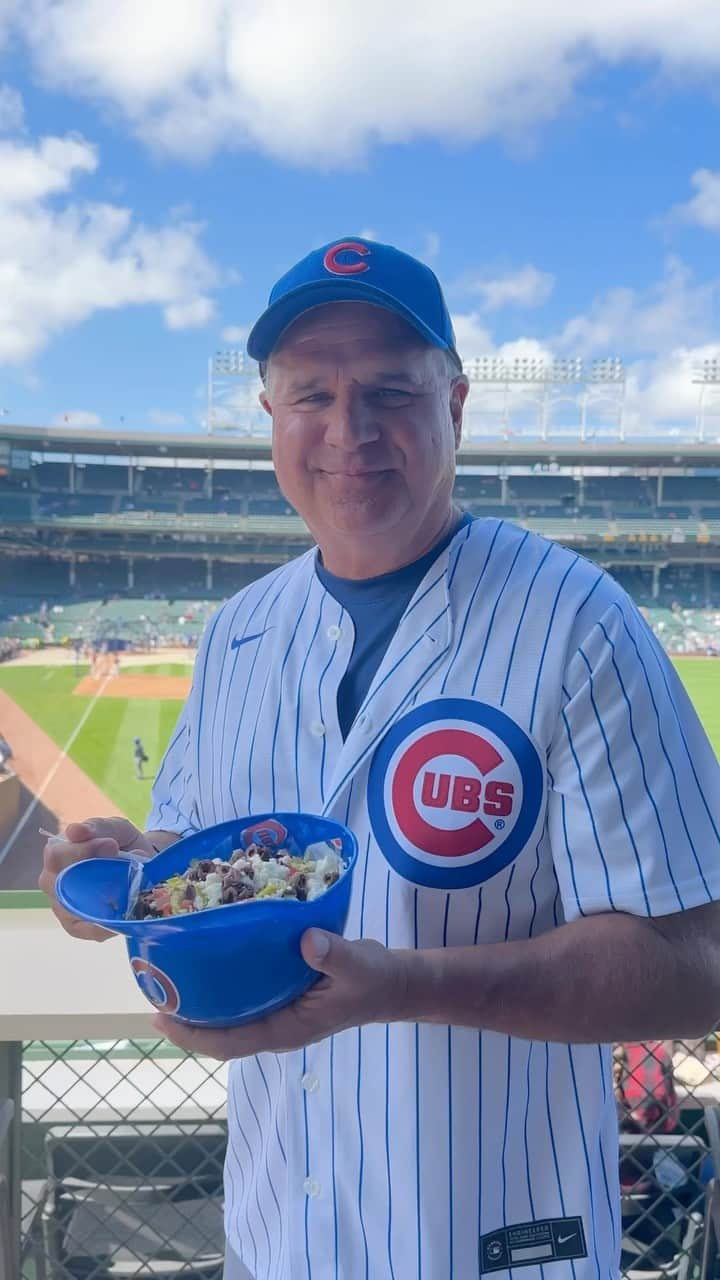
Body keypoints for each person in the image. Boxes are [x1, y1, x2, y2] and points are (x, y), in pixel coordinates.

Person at [40, 237, 720, 1280]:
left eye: (390, 392)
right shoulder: (236, 633)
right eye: (312, 392)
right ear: (270, 418)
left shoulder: (579, 621)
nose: (348, 431)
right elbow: (191, 855)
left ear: (454, 406)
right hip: (275, 1241)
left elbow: (696, 966)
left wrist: (403, 983)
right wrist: (122, 874)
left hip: (498, 1242)